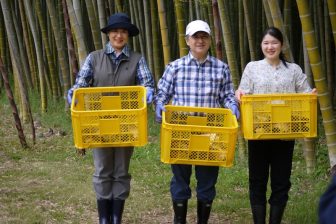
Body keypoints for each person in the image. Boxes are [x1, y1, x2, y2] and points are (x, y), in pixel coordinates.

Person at [67, 13, 154, 224]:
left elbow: (147, 83)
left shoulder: (136, 59)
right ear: (108, 34)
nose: (119, 35)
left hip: (127, 124)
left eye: (123, 32)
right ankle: (104, 218)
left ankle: (117, 217)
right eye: (115, 31)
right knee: (103, 169)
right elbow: (82, 82)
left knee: (121, 170)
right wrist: (74, 92)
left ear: (128, 36)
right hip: (99, 123)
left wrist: (149, 92)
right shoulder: (94, 57)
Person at [155, 20, 239, 224]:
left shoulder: (221, 68)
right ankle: (180, 220)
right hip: (180, 130)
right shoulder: (175, 67)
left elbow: (227, 95)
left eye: (204, 36)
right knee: (180, 179)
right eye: (196, 37)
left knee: (207, 180)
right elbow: (162, 94)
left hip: (210, 132)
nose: (200, 41)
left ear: (210, 40)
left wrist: (232, 105)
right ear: (187, 40)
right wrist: (159, 105)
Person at [235, 27, 317, 224]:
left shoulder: (294, 70)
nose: (270, 47)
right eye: (266, 43)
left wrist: (311, 95)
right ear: (261, 45)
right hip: (258, 133)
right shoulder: (252, 67)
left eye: (274, 43)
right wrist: (238, 95)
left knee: (281, 182)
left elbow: (305, 95)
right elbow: (242, 92)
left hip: (285, 133)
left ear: (281, 45)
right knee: (257, 181)